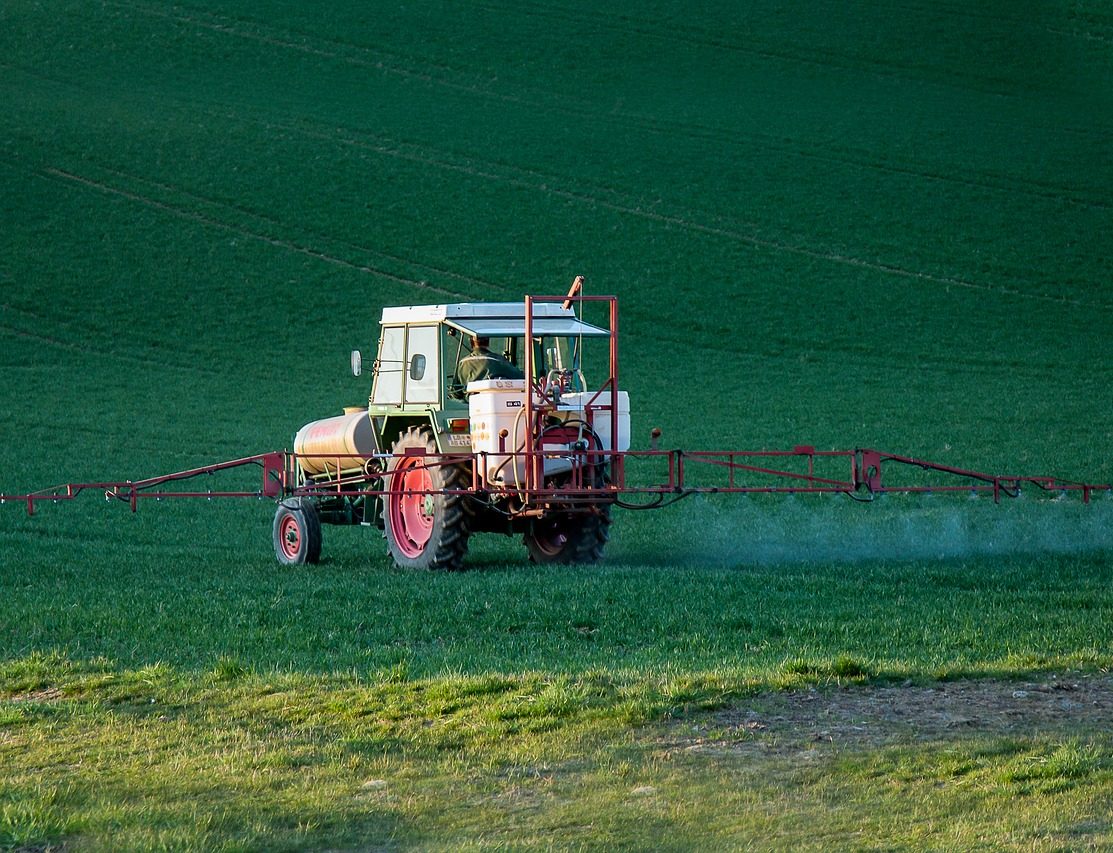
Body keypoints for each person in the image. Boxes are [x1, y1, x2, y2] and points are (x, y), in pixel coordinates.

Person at [456, 336, 524, 388]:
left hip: (469, 404)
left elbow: (456, 391)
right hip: (497, 404)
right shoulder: (498, 361)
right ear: (488, 342)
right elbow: (520, 378)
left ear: (471, 342)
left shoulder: (462, 363)